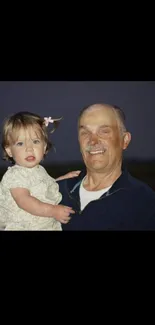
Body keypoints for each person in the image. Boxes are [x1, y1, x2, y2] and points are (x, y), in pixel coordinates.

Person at [57, 103, 155, 230]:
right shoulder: (56, 191)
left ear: (124, 140)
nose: (93, 141)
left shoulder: (145, 202)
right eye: (85, 133)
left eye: (104, 132)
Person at [0, 111, 80, 230]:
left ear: (44, 147)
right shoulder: (14, 175)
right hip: (23, 226)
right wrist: (53, 211)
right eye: (20, 143)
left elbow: (42, 187)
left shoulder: (39, 170)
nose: (29, 148)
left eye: (35, 141)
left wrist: (64, 178)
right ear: (9, 151)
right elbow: (24, 200)